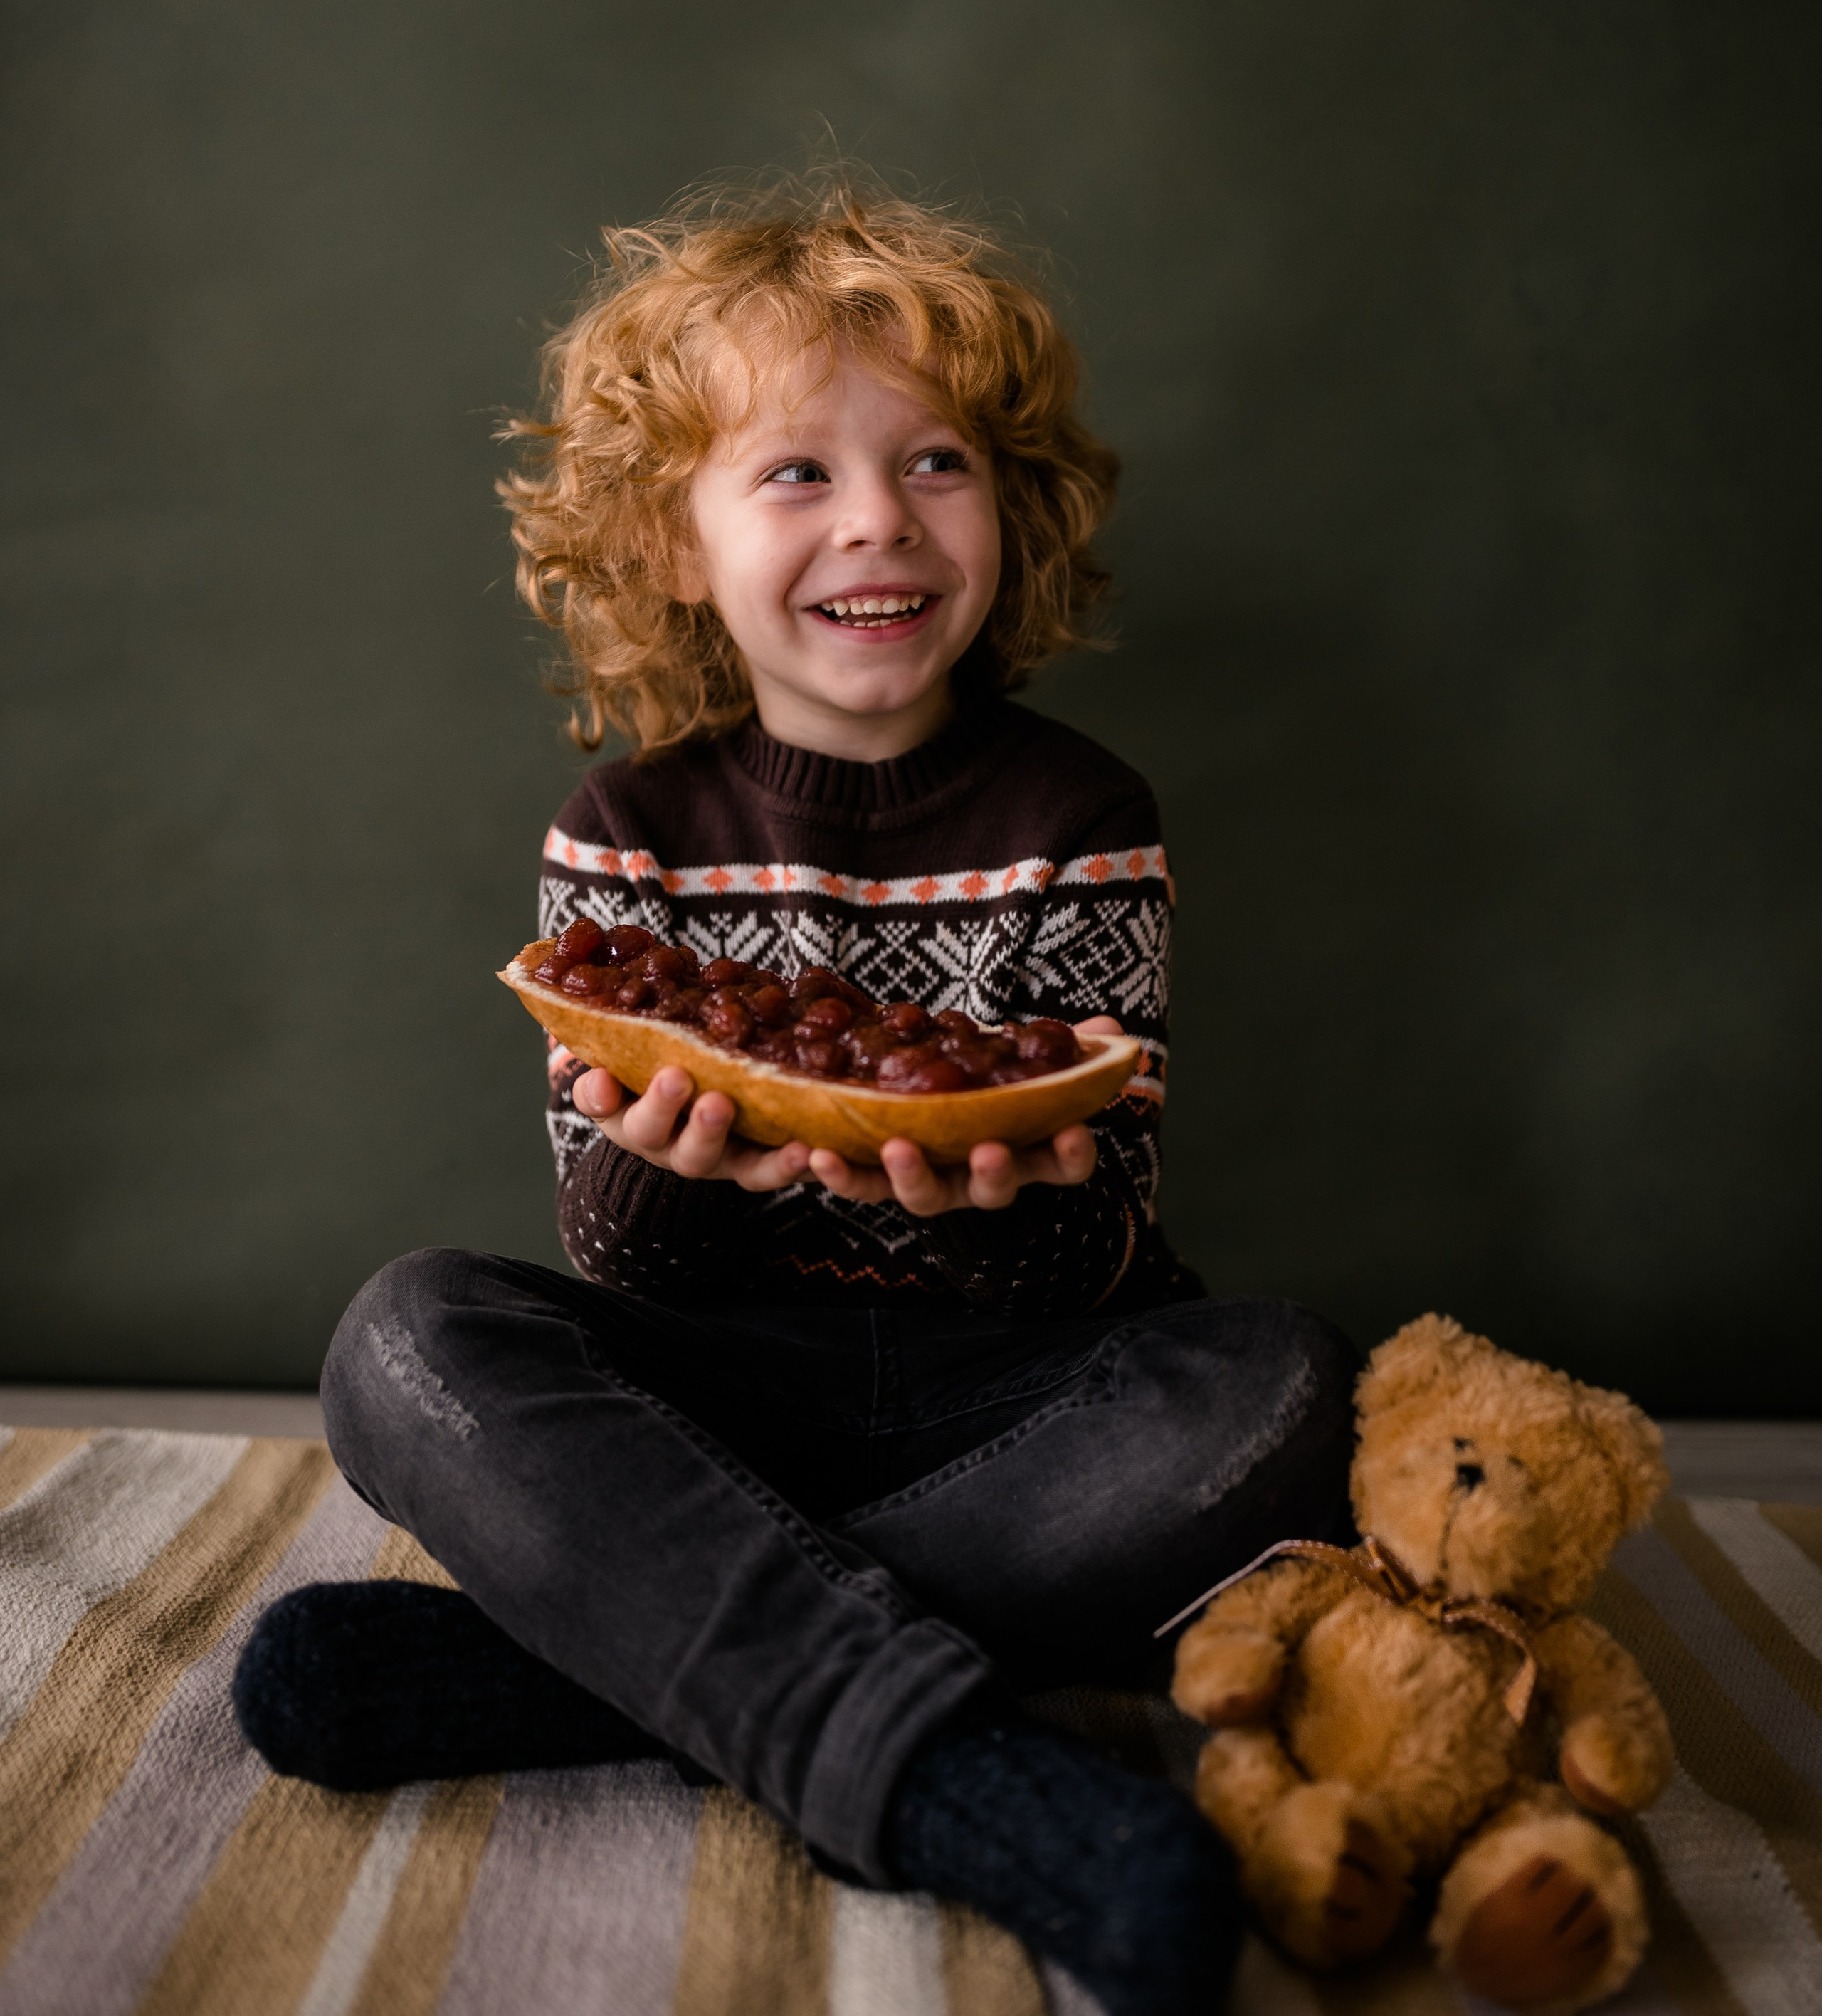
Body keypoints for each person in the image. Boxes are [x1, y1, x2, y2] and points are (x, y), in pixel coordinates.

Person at [234, 177, 1359, 2016]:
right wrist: (680, 1171)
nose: (879, 524)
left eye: (935, 465)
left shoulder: (1083, 818)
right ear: (673, 544)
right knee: (404, 1341)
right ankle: (958, 1777)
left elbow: (1101, 1241)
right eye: (797, 476)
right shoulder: (622, 840)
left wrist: (995, 1202)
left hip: (1027, 1402)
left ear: (1009, 510)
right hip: (722, 1407)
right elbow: (620, 1255)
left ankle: (579, 1669)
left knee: (1286, 1392)